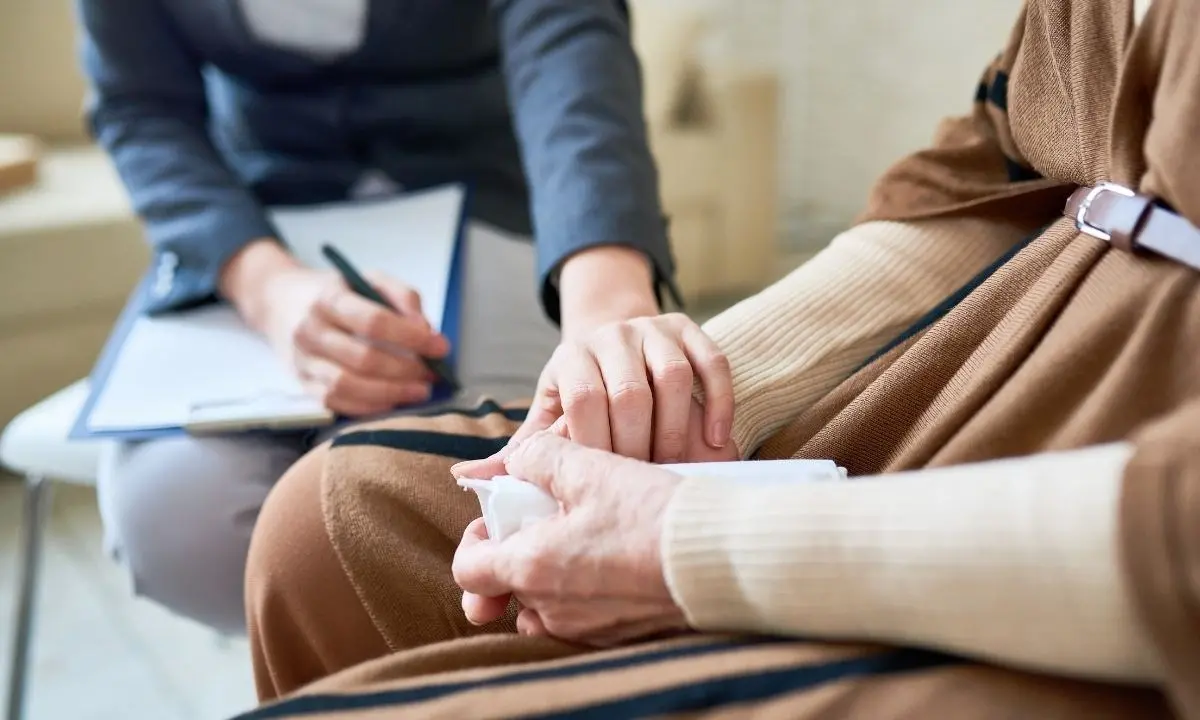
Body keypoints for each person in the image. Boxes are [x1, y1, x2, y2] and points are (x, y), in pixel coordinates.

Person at [239, 0, 1198, 716]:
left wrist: (693, 549)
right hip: (983, 358)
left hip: (1144, 552)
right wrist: (689, 387)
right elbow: (1000, 161)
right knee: (323, 524)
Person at [78, 0, 734, 635]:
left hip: (491, 200)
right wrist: (268, 290)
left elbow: (565, 38)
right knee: (175, 531)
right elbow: (139, 105)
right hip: (254, 231)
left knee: (474, 514)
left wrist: (606, 300)